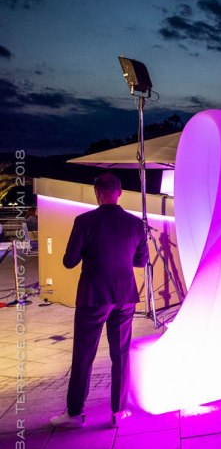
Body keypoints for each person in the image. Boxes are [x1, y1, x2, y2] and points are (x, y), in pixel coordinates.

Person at [51, 173, 149, 428]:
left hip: (93, 296)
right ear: (120, 193)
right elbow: (141, 261)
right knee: (121, 354)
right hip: (125, 296)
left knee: (84, 354)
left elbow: (69, 261)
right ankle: (119, 412)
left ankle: (74, 414)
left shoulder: (84, 221)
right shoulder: (135, 224)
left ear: (97, 193)